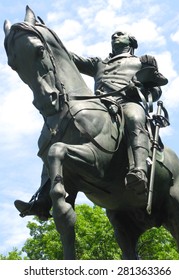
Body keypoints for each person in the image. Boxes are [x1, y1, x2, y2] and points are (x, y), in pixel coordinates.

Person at [14, 30, 168, 219]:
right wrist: (45, 39)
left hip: (127, 102)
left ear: (132, 42)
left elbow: (156, 90)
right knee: (57, 132)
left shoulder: (142, 61)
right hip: (101, 106)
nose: (115, 36)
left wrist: (137, 90)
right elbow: (66, 56)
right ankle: (43, 199)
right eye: (112, 35)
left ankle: (139, 171)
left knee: (135, 118)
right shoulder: (99, 63)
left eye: (120, 34)